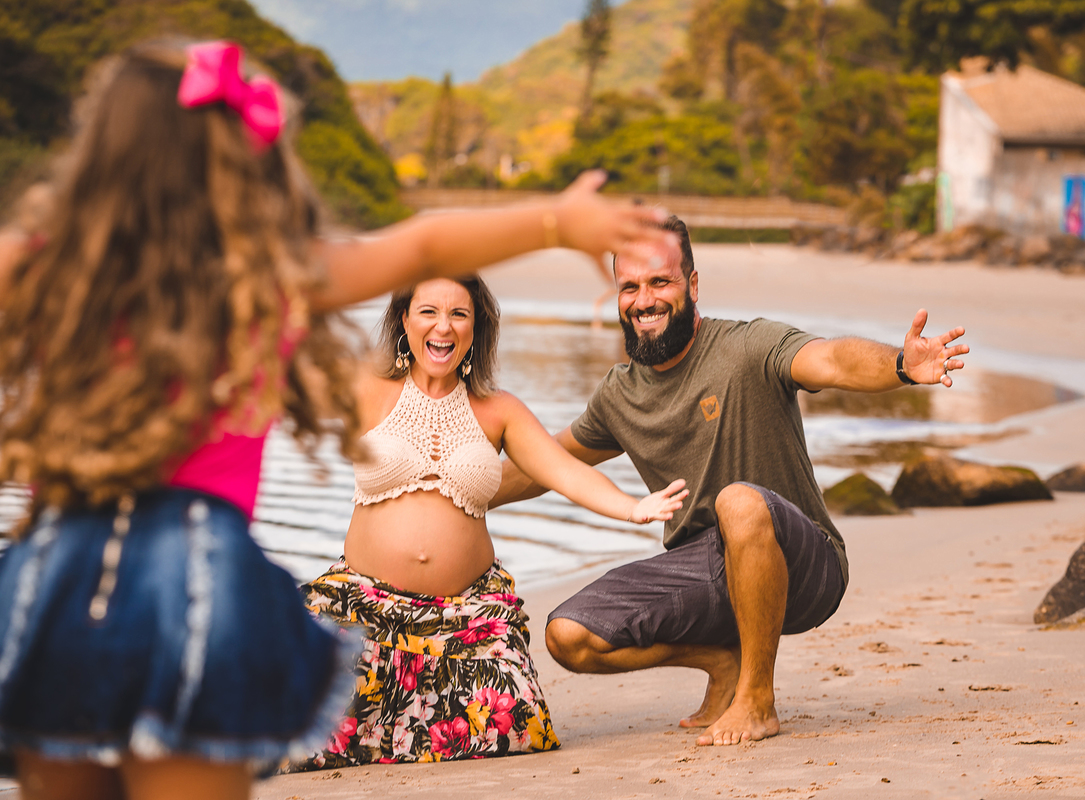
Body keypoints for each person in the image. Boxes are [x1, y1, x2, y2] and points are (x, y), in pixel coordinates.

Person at [0, 40, 670, 800]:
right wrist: (556, 220)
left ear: (103, 150)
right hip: (195, 579)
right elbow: (423, 241)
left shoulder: (38, 269)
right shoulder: (268, 277)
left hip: (57, 574)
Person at [492, 215, 970, 747]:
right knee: (569, 636)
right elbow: (543, 465)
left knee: (738, 501)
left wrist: (901, 364)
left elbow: (831, 360)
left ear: (692, 286)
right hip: (705, 572)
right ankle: (722, 661)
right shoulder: (618, 397)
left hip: (802, 563)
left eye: (660, 281)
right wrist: (442, 493)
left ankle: (757, 700)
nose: (644, 300)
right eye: (630, 286)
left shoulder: (747, 348)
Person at [290, 275, 687, 769]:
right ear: (404, 321)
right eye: (428, 311)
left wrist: (632, 507)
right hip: (364, 609)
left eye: (460, 314)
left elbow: (562, 470)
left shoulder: (499, 410)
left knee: (518, 728)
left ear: (477, 330)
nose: (444, 326)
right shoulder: (363, 388)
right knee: (290, 724)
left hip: (468, 619)